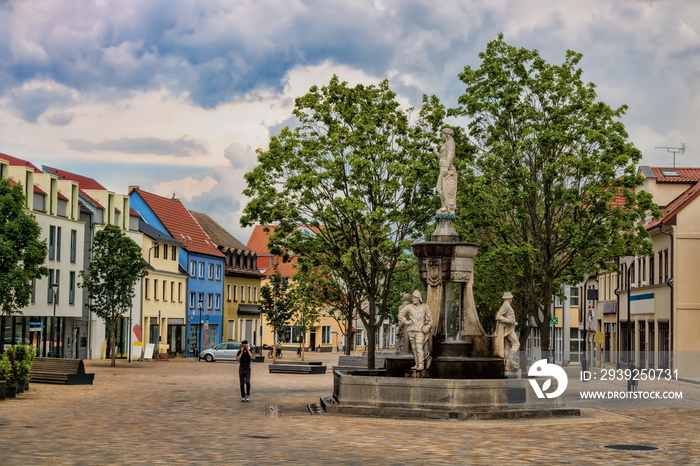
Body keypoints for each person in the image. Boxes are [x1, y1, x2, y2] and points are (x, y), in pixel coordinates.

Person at [399, 290, 433, 371]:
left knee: (419, 347)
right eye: (413, 297)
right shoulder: (409, 307)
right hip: (411, 330)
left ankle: (421, 364)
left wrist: (428, 326)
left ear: (419, 298)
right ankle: (417, 363)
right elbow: (400, 314)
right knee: (414, 348)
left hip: (420, 331)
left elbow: (431, 319)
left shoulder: (425, 307)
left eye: (415, 297)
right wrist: (406, 321)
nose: (413, 299)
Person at [433, 127, 457, 215]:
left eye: (442, 134)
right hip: (442, 167)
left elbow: (451, 155)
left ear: (446, 134)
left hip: (446, 168)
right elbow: (442, 157)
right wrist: (434, 151)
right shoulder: (446, 143)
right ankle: (444, 206)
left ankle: (447, 207)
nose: (442, 136)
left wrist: (447, 167)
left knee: (441, 188)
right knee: (440, 188)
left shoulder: (450, 143)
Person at [494, 292, 520, 370]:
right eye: (511, 298)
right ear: (508, 298)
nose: (511, 299)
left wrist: (512, 322)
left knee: (507, 347)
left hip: (509, 328)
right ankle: (510, 359)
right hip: (508, 329)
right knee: (516, 344)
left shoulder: (507, 305)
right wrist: (508, 321)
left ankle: (507, 365)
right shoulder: (506, 305)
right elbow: (498, 316)